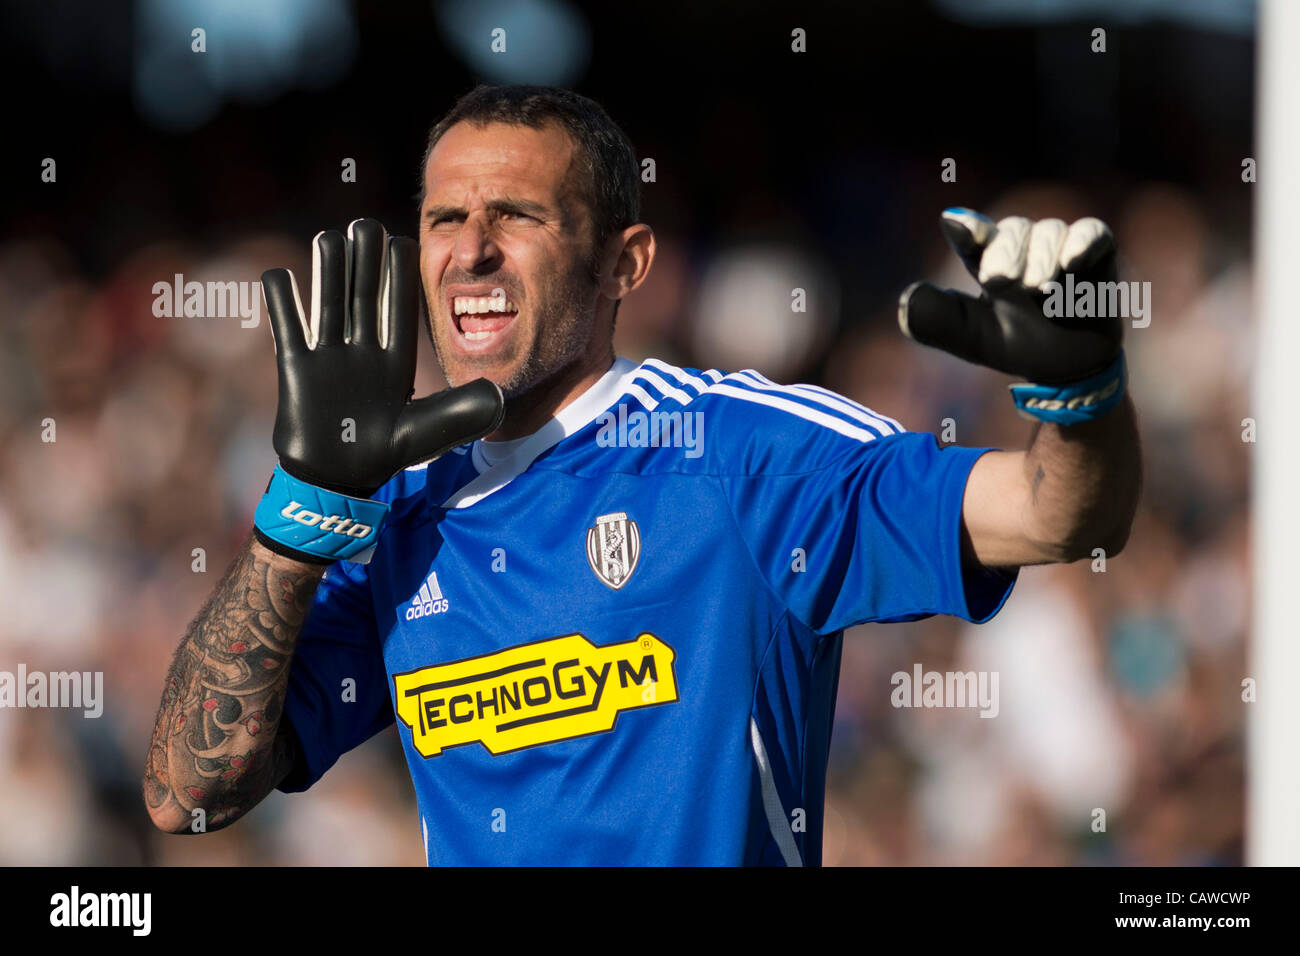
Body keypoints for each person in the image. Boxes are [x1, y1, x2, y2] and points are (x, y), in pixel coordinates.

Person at [143, 84, 1141, 865]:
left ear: (624, 262)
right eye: (444, 218)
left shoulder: (743, 452)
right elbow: (188, 790)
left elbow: (1059, 514)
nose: (470, 250)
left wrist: (1080, 390)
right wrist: (295, 517)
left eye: (516, 215)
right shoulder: (397, 512)